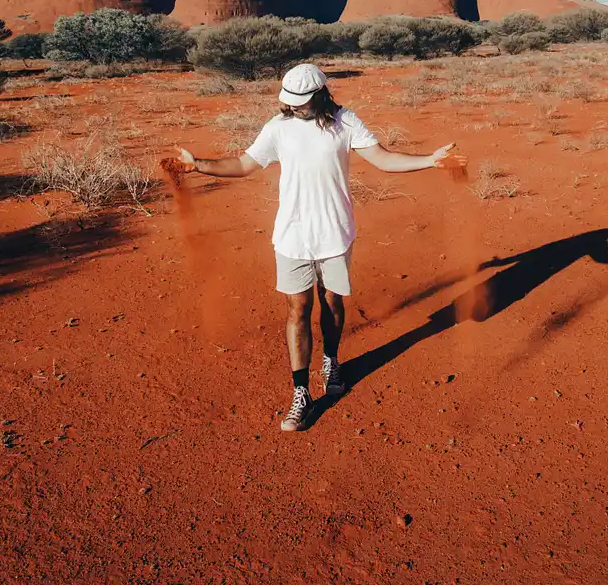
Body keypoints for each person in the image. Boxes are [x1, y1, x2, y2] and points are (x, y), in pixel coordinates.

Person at [176, 62, 466, 432]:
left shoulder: (346, 123)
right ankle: (301, 392)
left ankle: (331, 359)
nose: (295, 106)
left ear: (320, 94)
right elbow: (244, 164)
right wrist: (197, 165)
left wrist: (431, 160)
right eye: (291, 100)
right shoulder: (278, 128)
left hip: (335, 234)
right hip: (292, 236)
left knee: (332, 302)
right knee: (297, 310)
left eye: (302, 100)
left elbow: (383, 158)